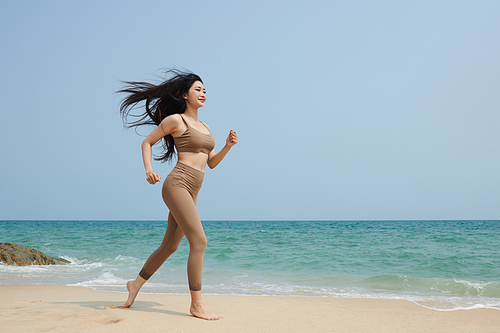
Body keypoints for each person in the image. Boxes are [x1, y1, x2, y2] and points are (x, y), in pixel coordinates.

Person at [118, 69, 238, 320]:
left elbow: (211, 163)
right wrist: (149, 170)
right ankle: (196, 304)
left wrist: (227, 146)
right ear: (185, 95)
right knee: (200, 241)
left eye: (205, 90)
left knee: (170, 246)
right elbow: (147, 142)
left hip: (194, 188)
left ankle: (134, 284)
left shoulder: (205, 127)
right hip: (177, 184)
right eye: (198, 89)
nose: (203, 93)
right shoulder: (176, 120)